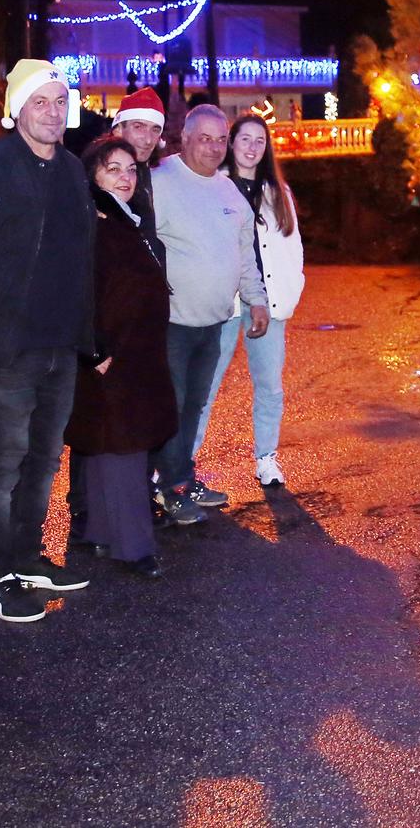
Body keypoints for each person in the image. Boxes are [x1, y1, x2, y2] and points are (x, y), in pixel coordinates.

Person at [0, 61, 96, 624]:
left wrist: (90, 335)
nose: (52, 113)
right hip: (4, 349)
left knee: (44, 460)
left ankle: (27, 557)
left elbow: (82, 258)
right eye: (40, 103)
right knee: (4, 463)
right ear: (17, 109)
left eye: (59, 102)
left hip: (60, 345)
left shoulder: (74, 171)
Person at [149, 101, 269, 524]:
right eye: (205, 139)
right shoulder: (160, 182)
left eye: (221, 140)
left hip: (214, 322)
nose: (215, 148)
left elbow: (244, 253)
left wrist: (257, 298)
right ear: (185, 138)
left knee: (194, 407)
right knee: (171, 408)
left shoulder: (228, 190)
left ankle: (182, 478)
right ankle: (169, 489)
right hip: (172, 324)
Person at [66, 135, 179, 579]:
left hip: (136, 352)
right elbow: (77, 289)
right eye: (112, 168)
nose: (125, 177)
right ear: (92, 174)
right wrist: (93, 350)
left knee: (106, 445)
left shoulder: (124, 217)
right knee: (123, 448)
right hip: (112, 355)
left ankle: (99, 530)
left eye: (131, 169)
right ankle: (133, 547)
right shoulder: (92, 220)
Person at [193, 113, 307, 488]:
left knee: (270, 384)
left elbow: (292, 248)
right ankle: (184, 460)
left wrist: (291, 292)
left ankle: (267, 457)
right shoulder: (214, 187)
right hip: (224, 302)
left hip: (268, 303)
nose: (252, 147)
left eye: (260, 140)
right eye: (245, 139)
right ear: (231, 142)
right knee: (205, 385)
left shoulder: (278, 193)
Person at [110, 86, 168, 224]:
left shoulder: (148, 172)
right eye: (138, 127)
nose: (148, 139)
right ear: (118, 129)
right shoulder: (101, 172)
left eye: (155, 129)